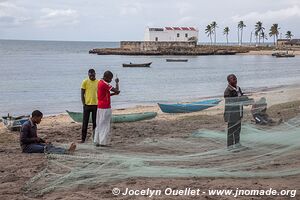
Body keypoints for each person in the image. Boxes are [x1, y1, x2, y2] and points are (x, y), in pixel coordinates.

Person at [224, 74, 252, 150]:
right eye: (233, 79)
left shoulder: (238, 88)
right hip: (231, 114)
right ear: (229, 81)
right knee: (231, 131)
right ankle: (230, 147)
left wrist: (247, 100)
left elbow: (241, 97)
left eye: (235, 79)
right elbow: (231, 102)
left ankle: (237, 144)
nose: (235, 80)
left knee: (237, 130)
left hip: (239, 112)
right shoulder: (227, 91)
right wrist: (242, 99)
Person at [94, 71, 120, 147]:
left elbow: (103, 94)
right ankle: (103, 142)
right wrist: (117, 83)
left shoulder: (100, 82)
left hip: (100, 106)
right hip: (105, 107)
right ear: (106, 77)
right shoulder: (105, 83)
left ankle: (97, 141)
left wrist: (112, 94)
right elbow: (117, 91)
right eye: (110, 78)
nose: (111, 80)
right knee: (105, 125)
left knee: (99, 124)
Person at [81, 69, 98, 143]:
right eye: (90, 75)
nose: (91, 76)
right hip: (87, 105)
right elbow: (82, 94)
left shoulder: (98, 82)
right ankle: (83, 139)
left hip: (96, 105)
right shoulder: (85, 81)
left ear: (95, 74)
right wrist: (83, 104)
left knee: (95, 123)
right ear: (88, 74)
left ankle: (95, 138)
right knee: (85, 123)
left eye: (93, 75)